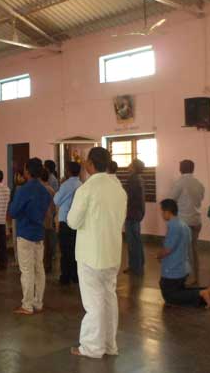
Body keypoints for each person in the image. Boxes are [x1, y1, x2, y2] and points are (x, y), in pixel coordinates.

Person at [68, 147, 127, 358]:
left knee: (94, 303)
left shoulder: (86, 189)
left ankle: (92, 347)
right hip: (112, 252)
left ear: (90, 164)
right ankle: (110, 345)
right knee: (109, 298)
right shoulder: (118, 189)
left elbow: (73, 221)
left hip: (90, 254)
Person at [9, 158, 52, 315]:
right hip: (39, 233)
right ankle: (38, 302)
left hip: (25, 233)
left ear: (27, 171)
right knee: (39, 269)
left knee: (27, 270)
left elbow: (13, 211)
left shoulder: (23, 190)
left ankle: (27, 305)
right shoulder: (44, 190)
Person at [157, 199, 210, 309]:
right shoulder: (184, 225)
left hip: (173, 271)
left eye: (162, 211)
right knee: (179, 290)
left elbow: (168, 250)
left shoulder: (173, 226)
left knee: (170, 297)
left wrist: (159, 255)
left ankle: (201, 293)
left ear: (167, 212)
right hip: (183, 269)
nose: (161, 214)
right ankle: (206, 290)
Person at [168, 160, 205, 284]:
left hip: (184, 222)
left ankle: (188, 277)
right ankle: (196, 277)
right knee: (193, 249)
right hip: (196, 221)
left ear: (181, 169)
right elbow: (200, 199)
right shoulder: (199, 184)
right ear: (192, 169)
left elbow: (171, 200)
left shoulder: (179, 183)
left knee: (184, 251)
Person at [54, 161, 82, 285]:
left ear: (68, 171)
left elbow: (56, 200)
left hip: (65, 221)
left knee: (65, 250)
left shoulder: (65, 185)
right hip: (77, 221)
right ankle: (75, 275)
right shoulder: (81, 184)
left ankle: (65, 276)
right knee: (75, 249)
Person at [124, 158, 146, 276]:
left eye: (131, 164)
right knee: (137, 240)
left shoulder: (133, 180)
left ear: (133, 167)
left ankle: (134, 266)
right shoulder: (139, 179)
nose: (128, 165)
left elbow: (128, 197)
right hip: (137, 213)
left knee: (132, 242)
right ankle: (140, 263)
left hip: (132, 214)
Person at [39, 168, 56, 274]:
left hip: (42, 219)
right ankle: (48, 265)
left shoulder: (40, 189)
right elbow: (54, 206)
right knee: (48, 243)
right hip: (50, 219)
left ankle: (44, 266)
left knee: (43, 245)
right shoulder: (51, 189)